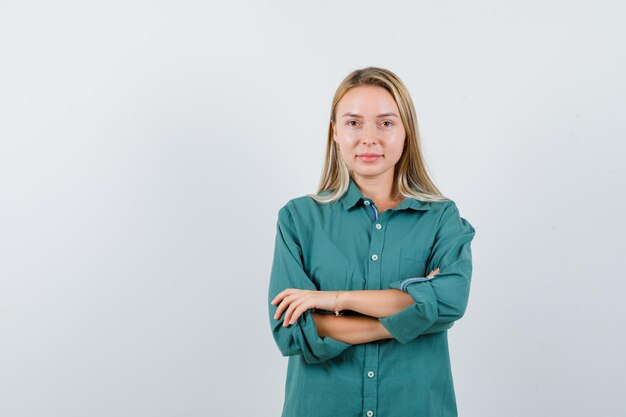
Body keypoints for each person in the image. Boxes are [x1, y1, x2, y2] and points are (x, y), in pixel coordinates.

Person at [267, 66, 476, 417]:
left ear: (406, 131)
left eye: (385, 123)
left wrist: (331, 301)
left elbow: (450, 302)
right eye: (353, 123)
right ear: (334, 132)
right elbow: (292, 331)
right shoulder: (298, 220)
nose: (369, 138)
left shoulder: (441, 219)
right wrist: (411, 314)